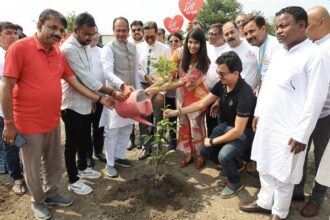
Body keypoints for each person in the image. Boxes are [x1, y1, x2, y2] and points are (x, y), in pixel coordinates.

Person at [1, 9, 113, 220]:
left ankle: (52, 193)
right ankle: (38, 200)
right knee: (33, 167)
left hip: (52, 119)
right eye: (52, 27)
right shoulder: (19, 49)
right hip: (28, 121)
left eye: (61, 29)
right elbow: (6, 87)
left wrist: (99, 98)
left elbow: (73, 81)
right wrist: (9, 123)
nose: (57, 33)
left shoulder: (58, 53)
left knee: (53, 163)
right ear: (39, 25)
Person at [238, 6, 329, 220]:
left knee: (284, 173)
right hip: (269, 121)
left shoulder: (315, 56)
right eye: (277, 26)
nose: (278, 31)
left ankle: (279, 212)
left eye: (284, 25)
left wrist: (302, 134)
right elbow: (267, 84)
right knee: (265, 164)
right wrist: (258, 112)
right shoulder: (279, 53)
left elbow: (315, 100)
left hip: (291, 127)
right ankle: (264, 201)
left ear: (301, 26)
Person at [164, 51, 255, 197]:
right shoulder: (222, 85)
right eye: (218, 72)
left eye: (223, 74)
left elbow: (238, 130)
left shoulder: (245, 93)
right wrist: (178, 112)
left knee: (224, 156)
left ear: (236, 73)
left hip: (244, 131)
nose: (219, 77)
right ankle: (236, 165)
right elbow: (201, 103)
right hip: (226, 126)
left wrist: (212, 141)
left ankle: (234, 182)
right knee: (205, 151)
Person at [61, 12, 126, 195]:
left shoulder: (84, 46)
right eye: (87, 34)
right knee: (72, 144)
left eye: (93, 34)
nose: (90, 38)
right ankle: (73, 180)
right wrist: (111, 92)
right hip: (72, 104)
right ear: (76, 30)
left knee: (84, 139)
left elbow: (92, 76)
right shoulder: (69, 49)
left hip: (87, 101)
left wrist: (95, 99)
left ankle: (83, 168)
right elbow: (85, 78)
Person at [145, 28, 209, 169]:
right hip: (182, 95)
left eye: (196, 43)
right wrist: (153, 86)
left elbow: (183, 81)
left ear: (202, 44)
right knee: (183, 125)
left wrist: (159, 89)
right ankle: (188, 154)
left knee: (196, 126)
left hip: (197, 97)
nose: (192, 46)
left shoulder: (203, 62)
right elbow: (170, 74)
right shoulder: (179, 53)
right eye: (190, 42)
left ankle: (200, 154)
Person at [292, 5, 330, 218]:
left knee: (324, 158)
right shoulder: (311, 45)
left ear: (322, 22)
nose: (304, 29)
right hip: (305, 112)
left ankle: (317, 198)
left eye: (308, 25)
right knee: (300, 152)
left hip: (326, 115)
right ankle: (297, 190)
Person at [99, 17, 140, 177]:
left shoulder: (132, 47)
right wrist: (122, 85)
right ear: (113, 30)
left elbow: (135, 71)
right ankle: (110, 163)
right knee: (112, 131)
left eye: (124, 30)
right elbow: (107, 72)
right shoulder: (108, 48)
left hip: (131, 97)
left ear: (128, 31)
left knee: (127, 128)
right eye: (118, 30)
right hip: (115, 95)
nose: (121, 33)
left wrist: (138, 92)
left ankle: (120, 156)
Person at [136, 21, 171, 160]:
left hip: (159, 87)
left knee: (158, 118)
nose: (150, 40)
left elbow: (168, 72)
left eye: (152, 36)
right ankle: (146, 147)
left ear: (157, 34)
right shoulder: (137, 48)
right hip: (143, 86)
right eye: (147, 37)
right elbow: (136, 68)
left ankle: (158, 147)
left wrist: (162, 92)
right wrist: (144, 76)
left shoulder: (165, 49)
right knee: (143, 118)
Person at [0, 21, 26, 195]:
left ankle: (29, 171)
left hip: (25, 108)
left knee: (26, 143)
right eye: (8, 33)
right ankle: (17, 177)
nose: (14, 36)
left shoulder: (19, 53)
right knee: (10, 144)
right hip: (5, 111)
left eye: (16, 33)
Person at [243, 16, 281, 91]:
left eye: (252, 31)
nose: (249, 36)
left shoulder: (276, 45)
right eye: (246, 34)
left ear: (263, 29)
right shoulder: (256, 47)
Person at [88, 28, 107, 165]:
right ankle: (87, 156)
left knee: (99, 127)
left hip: (101, 97)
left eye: (95, 34)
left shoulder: (102, 52)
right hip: (86, 97)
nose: (93, 37)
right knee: (85, 129)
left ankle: (98, 151)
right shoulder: (82, 52)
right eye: (90, 34)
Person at [221, 21, 258, 91]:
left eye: (232, 32)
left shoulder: (252, 45)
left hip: (253, 94)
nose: (230, 36)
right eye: (226, 34)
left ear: (238, 31)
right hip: (233, 95)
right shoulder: (223, 54)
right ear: (223, 37)